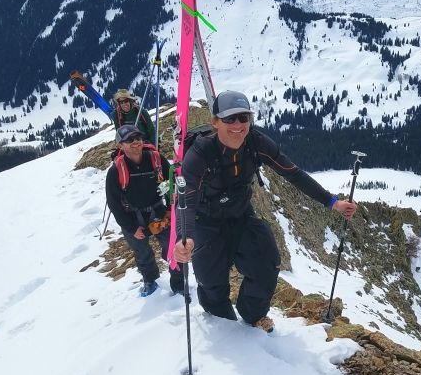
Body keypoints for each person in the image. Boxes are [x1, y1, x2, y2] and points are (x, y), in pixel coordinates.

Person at [173, 91, 357, 333]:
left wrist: (332, 202)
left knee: (266, 265)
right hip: (205, 221)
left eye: (243, 117)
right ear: (215, 122)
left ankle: (253, 316)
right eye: (229, 119)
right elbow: (187, 199)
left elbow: (293, 173)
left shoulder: (256, 143)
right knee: (211, 282)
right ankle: (221, 324)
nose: (237, 125)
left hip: (241, 214)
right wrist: (183, 238)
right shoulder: (200, 154)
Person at [106, 124, 184, 297]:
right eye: (129, 140)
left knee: (172, 246)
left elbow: (171, 182)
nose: (135, 142)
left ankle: (178, 283)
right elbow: (114, 203)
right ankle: (150, 279)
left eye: (138, 138)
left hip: (158, 211)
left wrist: (171, 210)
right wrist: (131, 228)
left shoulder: (156, 159)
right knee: (141, 251)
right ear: (121, 146)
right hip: (132, 217)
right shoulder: (116, 171)